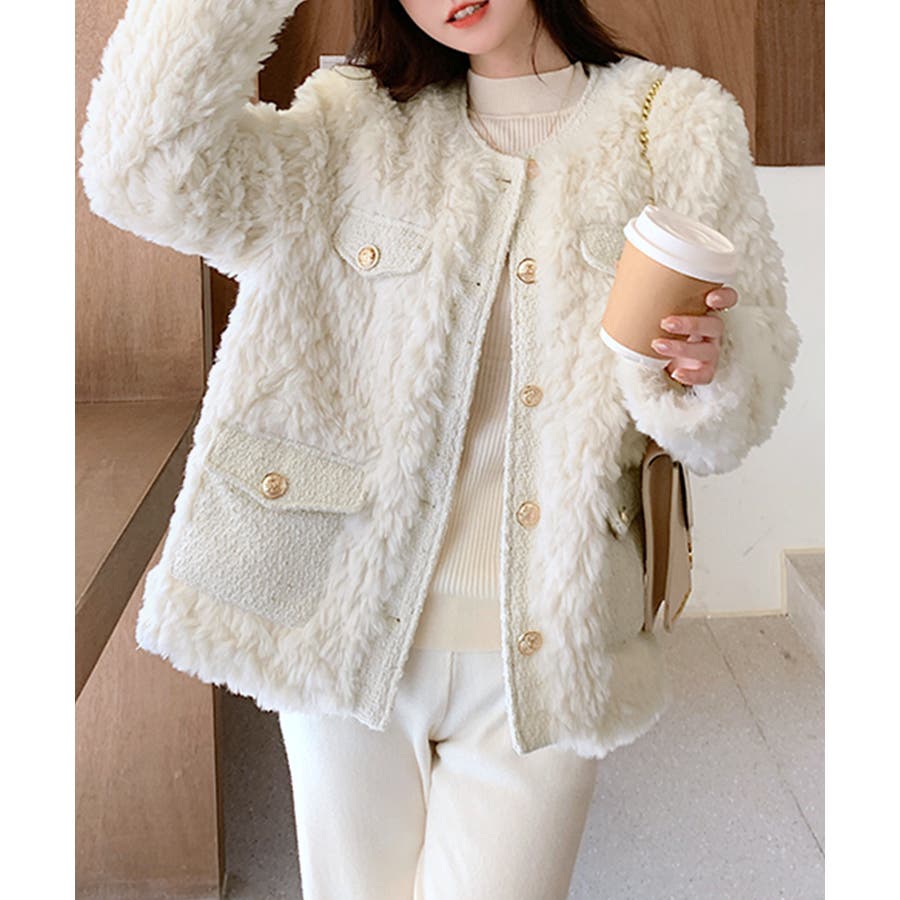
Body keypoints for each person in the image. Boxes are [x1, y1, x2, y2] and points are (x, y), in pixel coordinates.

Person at [78, 0, 801, 897]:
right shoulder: (350, 121)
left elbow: (735, 413)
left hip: (547, 643)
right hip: (340, 620)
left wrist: (704, 369)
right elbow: (140, 170)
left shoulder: (676, 123)